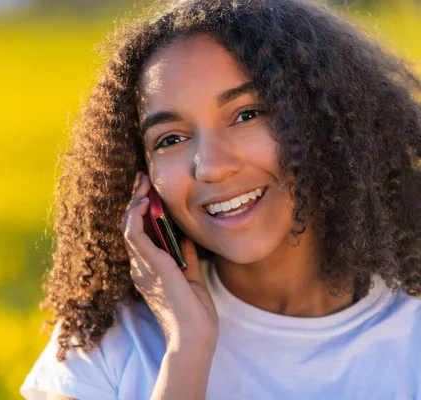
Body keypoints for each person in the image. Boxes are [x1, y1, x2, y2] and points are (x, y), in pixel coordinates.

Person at [21, 0, 421, 398]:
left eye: (247, 114)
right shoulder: (108, 347)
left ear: (325, 122)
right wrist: (187, 350)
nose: (210, 166)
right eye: (171, 139)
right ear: (142, 181)